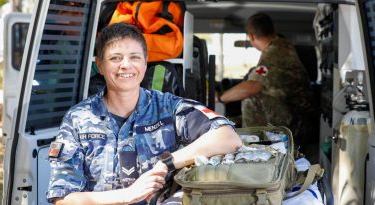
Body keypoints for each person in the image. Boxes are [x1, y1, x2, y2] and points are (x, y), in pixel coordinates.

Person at [46, 22, 242, 205]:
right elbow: (63, 198)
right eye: (115, 58)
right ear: (100, 65)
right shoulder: (78, 118)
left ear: (145, 63)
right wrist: (127, 194)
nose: (126, 65)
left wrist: (167, 163)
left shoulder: (168, 107)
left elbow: (228, 137)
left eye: (134, 57)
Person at [218, 13, 315, 154]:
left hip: (297, 125)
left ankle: (252, 150)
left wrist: (220, 97)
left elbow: (251, 87)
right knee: (232, 122)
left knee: (251, 98)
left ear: (251, 37)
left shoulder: (274, 54)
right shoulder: (282, 45)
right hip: (296, 115)